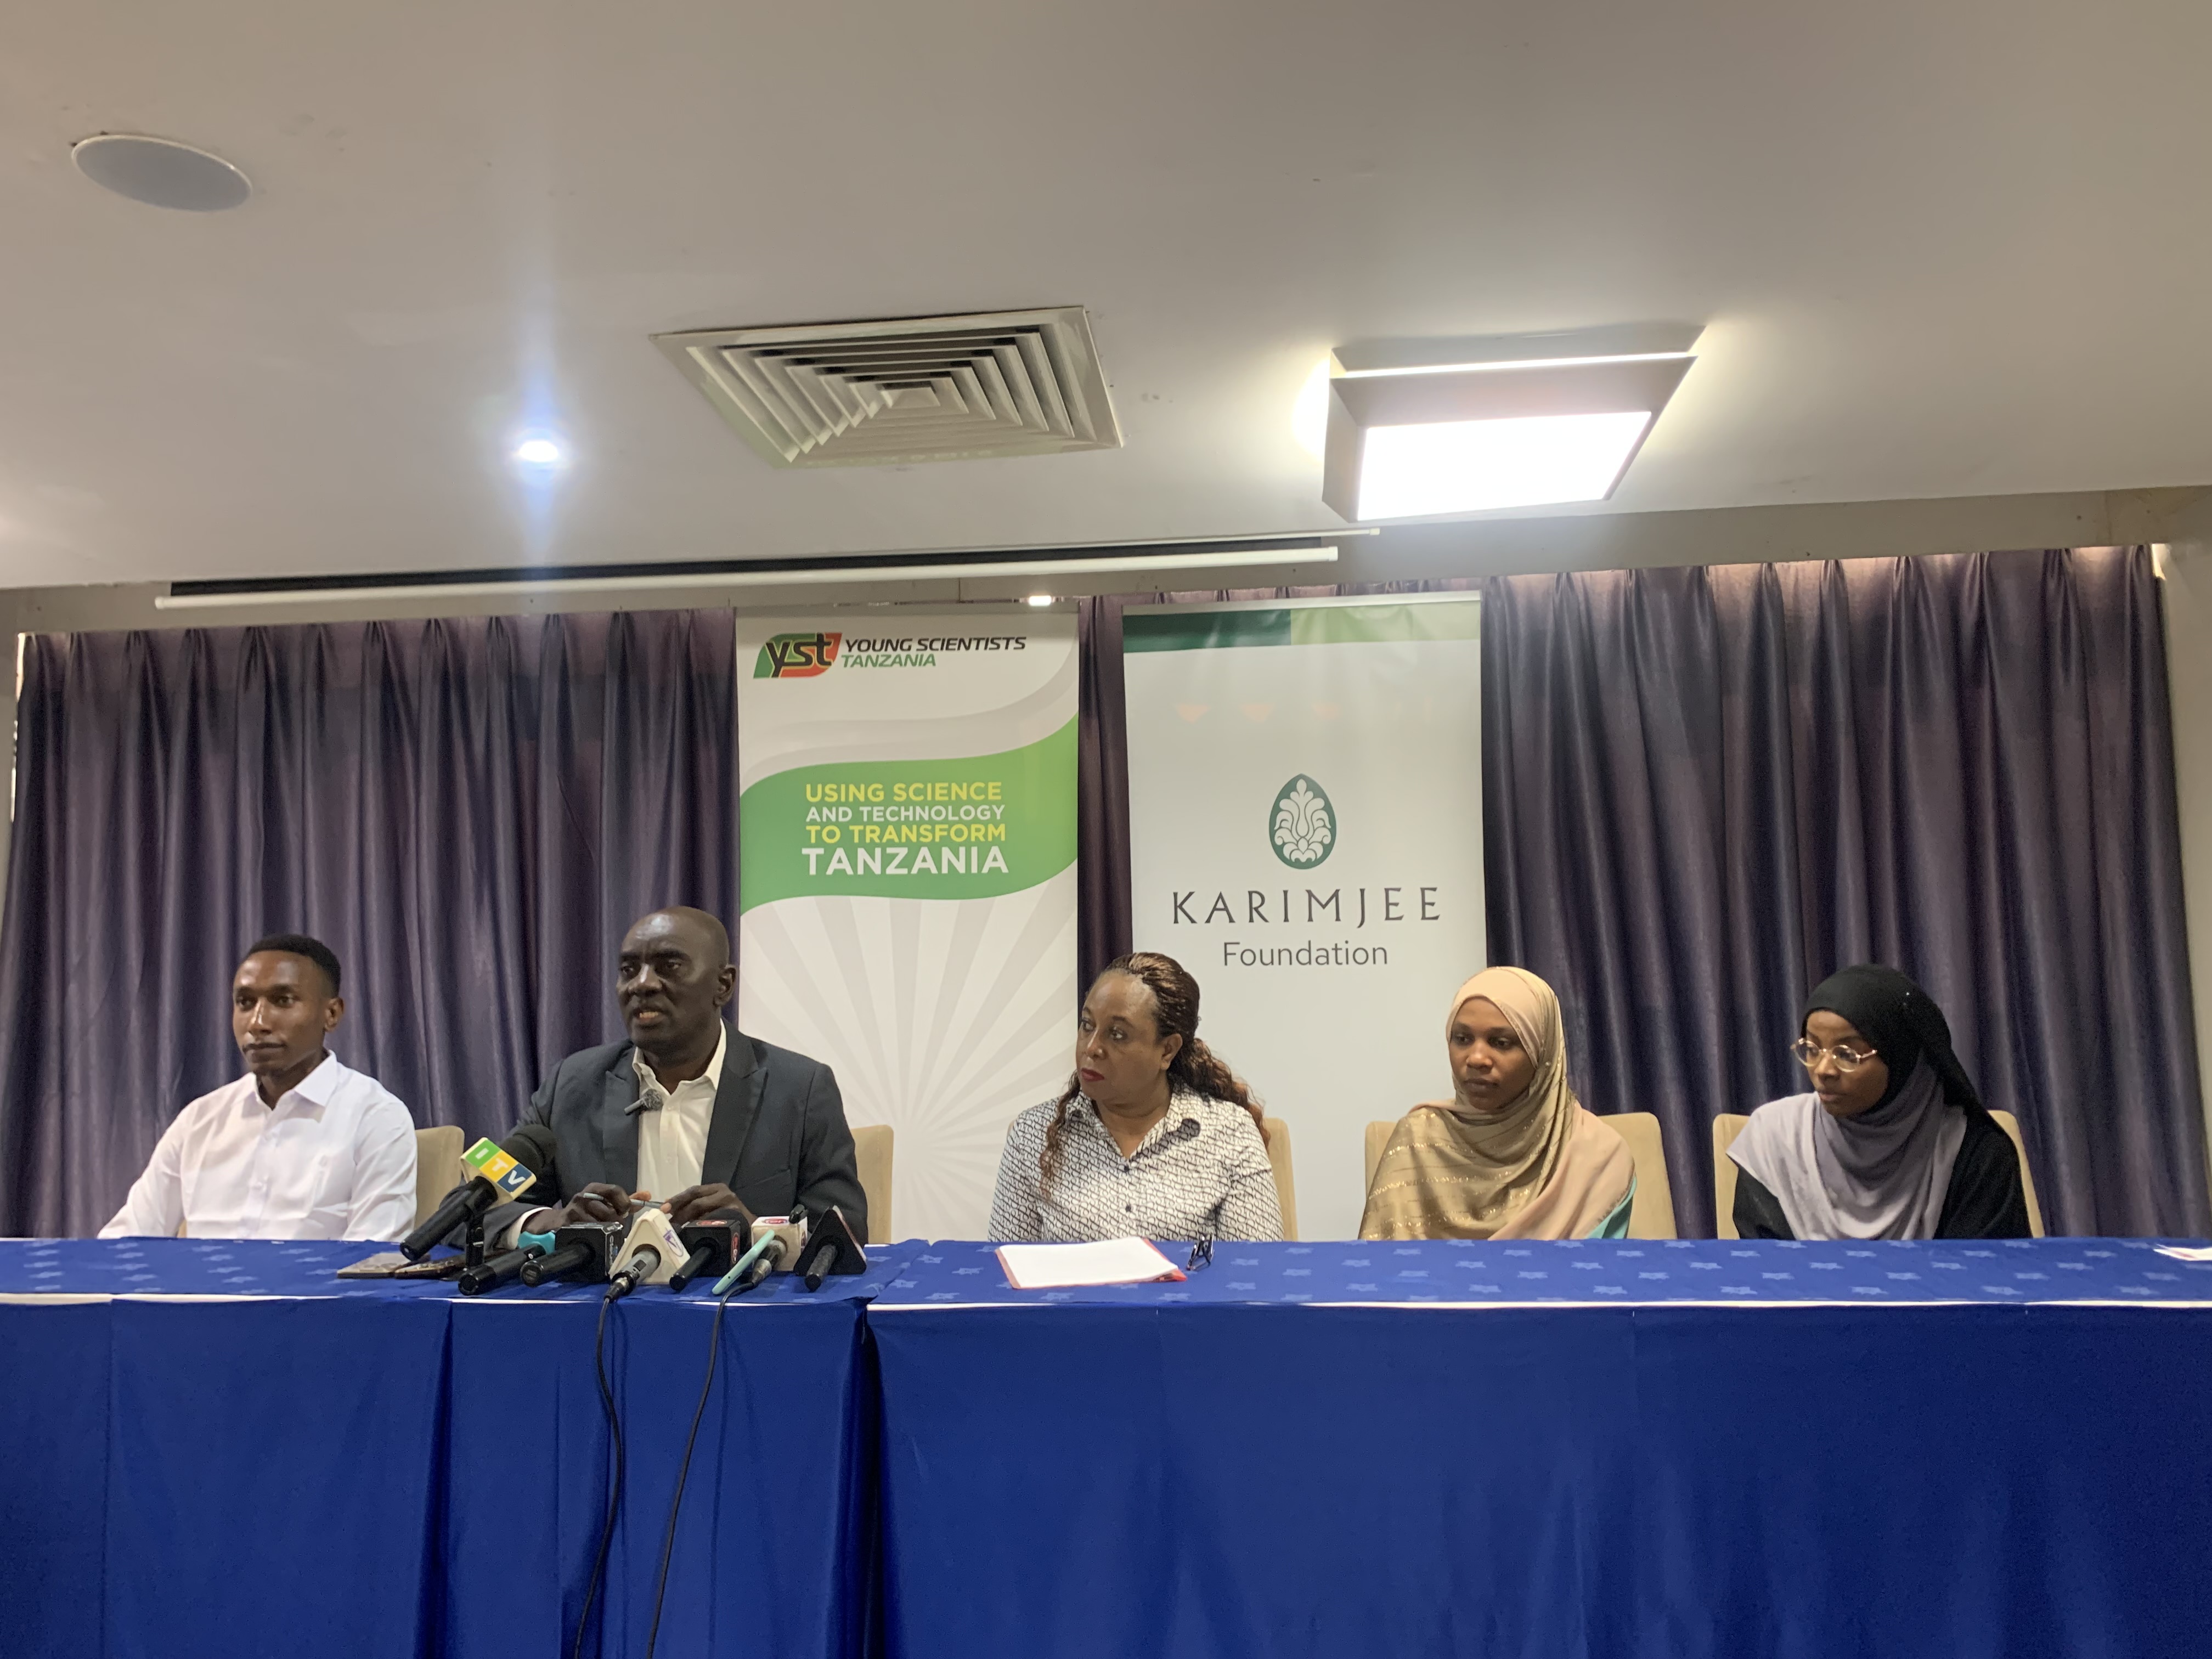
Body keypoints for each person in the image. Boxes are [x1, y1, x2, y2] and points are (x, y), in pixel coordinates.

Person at [487, 906, 866, 1243]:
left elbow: (844, 1232)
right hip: (604, 1300)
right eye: (629, 970)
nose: (642, 984)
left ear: (723, 985)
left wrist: (755, 1230)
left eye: (669, 966)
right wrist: (553, 1222)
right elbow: (476, 1206)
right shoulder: (571, 1084)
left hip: (737, 1299)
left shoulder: (801, 1090)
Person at [101, 934, 417, 1240]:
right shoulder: (200, 1120)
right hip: (202, 1280)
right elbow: (127, 1239)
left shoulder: (375, 1117)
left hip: (314, 1282)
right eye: (245, 1003)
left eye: (282, 1000)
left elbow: (373, 1259)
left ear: (331, 1014)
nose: (257, 1023)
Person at [988, 952, 1282, 1243]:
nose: (1091, 1048)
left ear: (1167, 1050)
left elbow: (1255, 1267)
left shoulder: (1230, 1134)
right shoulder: (1032, 1135)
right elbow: (1004, 1266)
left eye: (1117, 1034)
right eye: (1087, 1025)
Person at [1728, 964, 2030, 1240]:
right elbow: (1767, 1270)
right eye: (1812, 1049)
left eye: (1846, 1054)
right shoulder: (1774, 1140)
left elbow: (1985, 1274)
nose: (1823, 1071)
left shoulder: (1974, 1152)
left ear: (1902, 1059)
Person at [1360, 966, 1634, 1241]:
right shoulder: (1418, 1142)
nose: (1477, 1058)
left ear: (1543, 1053)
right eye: (1463, 1039)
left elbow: (1599, 1266)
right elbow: (1382, 1262)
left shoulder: (1599, 1157)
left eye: (1501, 1043)